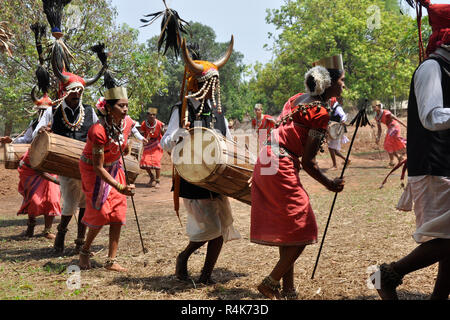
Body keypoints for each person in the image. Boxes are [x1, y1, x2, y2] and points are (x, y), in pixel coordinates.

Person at [372, 0, 450, 300]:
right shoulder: (431, 68)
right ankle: (387, 275)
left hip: (444, 165)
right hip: (434, 167)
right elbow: (432, 118)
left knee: (447, 241)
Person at [250, 55, 346, 299]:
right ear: (329, 84)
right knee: (304, 225)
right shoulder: (321, 112)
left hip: (267, 156)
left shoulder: (295, 99)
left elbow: (275, 132)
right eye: (341, 81)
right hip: (281, 162)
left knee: (288, 226)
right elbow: (309, 162)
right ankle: (270, 283)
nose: (343, 86)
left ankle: (289, 289)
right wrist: (330, 184)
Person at [161, 39, 241, 284]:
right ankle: (184, 257)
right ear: (196, 84)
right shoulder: (180, 109)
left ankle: (206, 275)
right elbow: (165, 144)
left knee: (220, 231)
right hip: (192, 179)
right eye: (209, 84)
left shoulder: (218, 112)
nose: (213, 90)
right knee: (210, 230)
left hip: (217, 180)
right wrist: (180, 134)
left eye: (214, 85)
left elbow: (228, 143)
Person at [31, 34, 106, 254]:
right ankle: (62, 234)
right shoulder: (52, 111)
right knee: (69, 202)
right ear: (65, 92)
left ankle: (80, 241)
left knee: (84, 203)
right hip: (64, 164)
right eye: (73, 91)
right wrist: (43, 131)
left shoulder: (90, 112)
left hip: (86, 163)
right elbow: (36, 133)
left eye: (80, 91)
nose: (77, 95)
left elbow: (98, 133)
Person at [77, 72, 135, 272]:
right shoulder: (98, 131)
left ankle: (111, 261)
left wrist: (125, 148)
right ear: (109, 108)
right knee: (101, 212)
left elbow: (126, 140)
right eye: (121, 105)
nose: (125, 109)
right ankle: (84, 250)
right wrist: (120, 186)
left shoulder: (127, 123)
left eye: (127, 105)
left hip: (115, 167)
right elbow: (98, 167)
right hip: (94, 170)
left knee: (118, 213)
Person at [372, 100, 407, 167]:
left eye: (374, 107)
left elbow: (395, 118)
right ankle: (399, 157)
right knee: (389, 145)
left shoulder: (386, 113)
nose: (373, 108)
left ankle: (392, 162)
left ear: (379, 106)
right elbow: (379, 129)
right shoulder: (377, 117)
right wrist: (378, 138)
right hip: (390, 128)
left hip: (395, 127)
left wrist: (405, 125)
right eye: (372, 107)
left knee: (387, 143)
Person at [139, 107, 165, 188]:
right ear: (147, 115)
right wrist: (144, 140)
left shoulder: (160, 124)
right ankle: (152, 178)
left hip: (157, 143)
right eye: (150, 115)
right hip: (148, 144)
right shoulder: (144, 124)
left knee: (156, 161)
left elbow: (163, 134)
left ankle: (157, 181)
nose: (152, 116)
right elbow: (142, 134)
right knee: (144, 161)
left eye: (154, 115)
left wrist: (165, 142)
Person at [327, 96, 350, 170]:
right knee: (333, 149)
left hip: (337, 130)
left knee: (331, 148)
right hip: (334, 130)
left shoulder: (337, 107)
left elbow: (343, 115)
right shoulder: (333, 107)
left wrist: (343, 121)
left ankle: (335, 166)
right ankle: (347, 160)